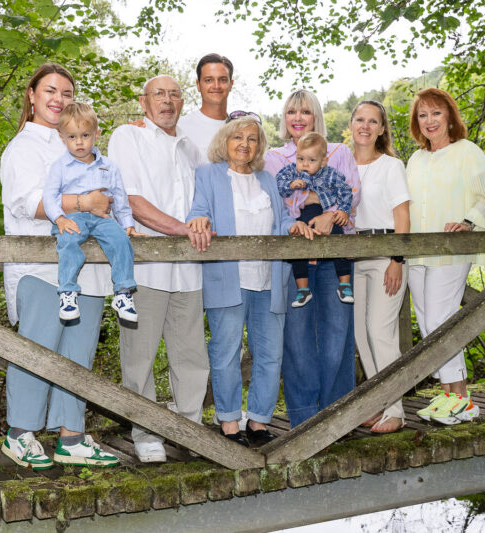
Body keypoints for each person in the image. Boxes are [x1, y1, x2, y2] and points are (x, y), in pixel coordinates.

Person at [0, 63, 119, 469]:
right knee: (37, 350)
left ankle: (72, 438)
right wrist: (85, 202)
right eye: (50, 91)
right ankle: (19, 434)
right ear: (31, 95)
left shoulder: (78, 145)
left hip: (86, 269)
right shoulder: (24, 147)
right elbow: (27, 203)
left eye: (67, 94)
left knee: (77, 354)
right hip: (41, 270)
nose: (58, 99)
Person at [187, 113, 317, 446]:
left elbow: (283, 215)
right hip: (227, 278)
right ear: (224, 142)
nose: (245, 144)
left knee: (270, 354)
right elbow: (197, 209)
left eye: (252, 139)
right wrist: (199, 217)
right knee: (226, 352)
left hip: (269, 279)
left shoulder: (267, 178)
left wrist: (293, 223)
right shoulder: (208, 174)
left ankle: (258, 421)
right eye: (238, 137)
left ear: (259, 146)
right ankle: (229, 421)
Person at [108, 75, 211, 463]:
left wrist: (201, 225)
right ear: (143, 100)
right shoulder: (127, 137)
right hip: (144, 268)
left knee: (191, 355)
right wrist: (184, 229)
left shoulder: (190, 147)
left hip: (188, 270)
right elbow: (131, 200)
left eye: (173, 94)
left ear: (182, 102)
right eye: (159, 94)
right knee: (139, 356)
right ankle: (146, 433)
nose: (167, 101)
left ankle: (189, 430)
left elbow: (207, 198)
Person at [264, 89, 361, 427]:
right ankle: (303, 422)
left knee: (337, 336)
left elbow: (353, 191)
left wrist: (330, 215)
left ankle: (337, 419)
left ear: (316, 115)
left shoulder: (338, 151)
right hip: (296, 259)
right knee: (298, 341)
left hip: (336, 256)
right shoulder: (274, 157)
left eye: (305, 111)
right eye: (292, 111)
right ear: (284, 117)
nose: (298, 117)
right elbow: (274, 203)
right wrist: (295, 222)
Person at [406, 88, 485, 426]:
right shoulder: (415, 159)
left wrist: (468, 222)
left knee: (442, 319)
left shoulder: (467, 152)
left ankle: (462, 399)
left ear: (449, 116)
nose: (429, 121)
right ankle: (448, 395)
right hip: (418, 251)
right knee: (427, 323)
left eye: (436, 113)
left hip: (451, 249)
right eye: (422, 115)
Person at [43, 102, 142, 323]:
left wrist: (128, 224)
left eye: (85, 135)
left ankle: (123, 292)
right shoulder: (59, 167)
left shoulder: (108, 166)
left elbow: (120, 198)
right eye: (72, 137)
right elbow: (49, 197)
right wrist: (59, 218)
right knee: (67, 240)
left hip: (102, 218)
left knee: (120, 241)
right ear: (62, 137)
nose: (79, 142)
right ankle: (68, 292)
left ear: (96, 134)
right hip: (73, 217)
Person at [350, 100, 411, 434]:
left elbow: (402, 216)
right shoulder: (341, 163)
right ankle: (376, 404)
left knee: (380, 332)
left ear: (382, 128)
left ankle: (397, 409)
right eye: (360, 119)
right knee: (360, 334)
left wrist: (397, 260)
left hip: (386, 254)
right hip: (353, 256)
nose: (365, 126)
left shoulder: (391, 166)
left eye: (373, 121)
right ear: (351, 123)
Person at [275, 131, 354, 307]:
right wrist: (290, 186)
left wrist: (342, 211)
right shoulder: (290, 172)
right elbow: (278, 186)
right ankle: (303, 289)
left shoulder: (331, 174)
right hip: (302, 218)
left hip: (327, 215)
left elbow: (346, 191)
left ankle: (344, 284)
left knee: (340, 242)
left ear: (323, 161)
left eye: (311, 160)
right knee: (296, 248)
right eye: (301, 159)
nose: (305, 164)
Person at [177, 53, 234, 159]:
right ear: (198, 85)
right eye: (208, 80)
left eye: (222, 79)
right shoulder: (179, 127)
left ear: (231, 84)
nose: (216, 86)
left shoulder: (241, 128)